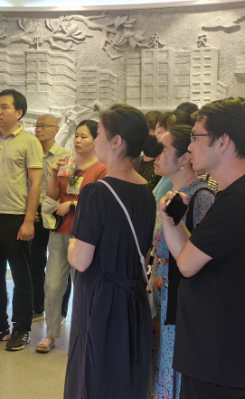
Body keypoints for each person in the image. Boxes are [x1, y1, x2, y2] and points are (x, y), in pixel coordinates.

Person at [160, 97, 245, 399]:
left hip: (219, 353)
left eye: (196, 137)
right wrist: (170, 220)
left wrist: (172, 226)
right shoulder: (239, 193)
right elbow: (192, 253)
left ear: (223, 141)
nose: (190, 147)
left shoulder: (244, 198)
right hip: (216, 349)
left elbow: (186, 264)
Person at [64, 104, 154, 398]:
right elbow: (143, 252)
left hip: (100, 299)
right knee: (125, 373)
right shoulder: (147, 190)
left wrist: (72, 244)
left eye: (99, 133)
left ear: (116, 141)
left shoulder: (97, 192)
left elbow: (81, 260)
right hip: (134, 297)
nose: (96, 139)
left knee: (94, 374)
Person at [0, 89, 43, 351]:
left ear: (19, 112)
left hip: (16, 219)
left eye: (5, 107)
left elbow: (36, 183)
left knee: (22, 278)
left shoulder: (29, 142)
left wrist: (28, 221)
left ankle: (21, 328)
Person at [148, 123, 215, 399]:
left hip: (179, 297)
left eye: (163, 149)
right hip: (162, 290)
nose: (156, 155)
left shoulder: (201, 196)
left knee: (172, 365)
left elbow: (201, 256)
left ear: (185, 157)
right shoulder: (171, 194)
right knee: (160, 361)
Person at [36, 119, 107, 354]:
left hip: (85, 236)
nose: (77, 140)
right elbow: (52, 195)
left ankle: (85, 332)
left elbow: (101, 202)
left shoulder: (102, 168)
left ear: (96, 140)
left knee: (84, 286)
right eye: (76, 136)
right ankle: (50, 333)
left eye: (84, 136)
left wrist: (73, 205)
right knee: (53, 284)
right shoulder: (68, 163)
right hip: (60, 231)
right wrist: (54, 173)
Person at [30, 114, 69, 322]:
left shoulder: (65, 156)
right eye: (37, 125)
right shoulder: (30, 153)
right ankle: (37, 307)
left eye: (44, 126)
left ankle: (61, 310)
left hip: (58, 213)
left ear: (56, 130)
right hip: (36, 213)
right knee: (35, 262)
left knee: (60, 261)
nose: (39, 129)